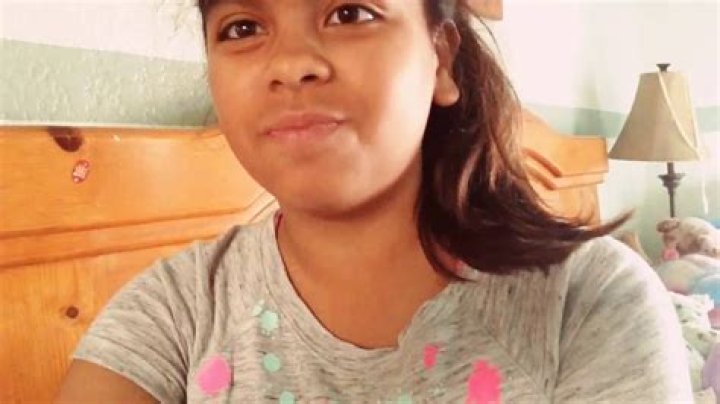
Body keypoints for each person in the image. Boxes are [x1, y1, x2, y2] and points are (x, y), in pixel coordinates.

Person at [56, 0, 693, 402]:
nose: (292, 63)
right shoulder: (172, 313)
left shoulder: (592, 302)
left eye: (350, 13)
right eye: (243, 27)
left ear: (441, 60)